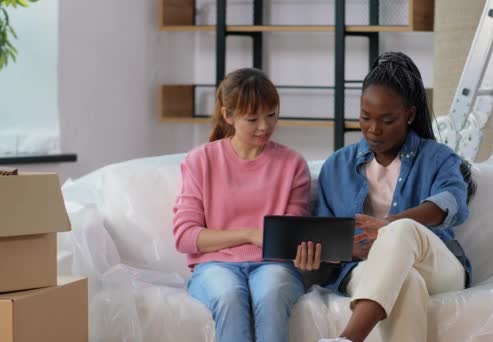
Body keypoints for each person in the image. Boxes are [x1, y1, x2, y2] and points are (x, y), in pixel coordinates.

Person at [294, 52, 476, 342]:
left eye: (387, 120)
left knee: (401, 230)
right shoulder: (337, 166)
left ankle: (348, 339)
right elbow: (326, 236)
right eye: (365, 118)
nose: (374, 129)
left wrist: (388, 227)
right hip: (364, 269)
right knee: (408, 285)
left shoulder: (439, 158)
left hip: (438, 267)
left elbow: (451, 201)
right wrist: (322, 257)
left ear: (410, 115)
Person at [173, 67, 311, 342]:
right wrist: (249, 235)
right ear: (229, 115)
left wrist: (304, 252)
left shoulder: (293, 164)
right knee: (229, 295)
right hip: (214, 267)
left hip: (275, 266)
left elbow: (294, 233)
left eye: (272, 115)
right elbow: (185, 236)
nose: (264, 126)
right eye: (252, 119)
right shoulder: (200, 161)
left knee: (271, 293)